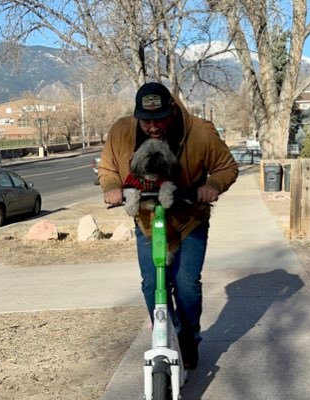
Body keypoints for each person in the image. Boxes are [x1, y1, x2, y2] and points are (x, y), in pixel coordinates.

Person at [98, 82, 238, 369]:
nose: (153, 127)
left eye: (159, 118)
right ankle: (167, 333)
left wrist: (212, 185)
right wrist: (112, 187)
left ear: (172, 110)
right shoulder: (122, 131)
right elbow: (108, 167)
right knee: (152, 285)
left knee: (186, 284)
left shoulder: (200, 132)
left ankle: (189, 338)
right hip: (149, 219)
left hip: (189, 219)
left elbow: (227, 167)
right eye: (146, 120)